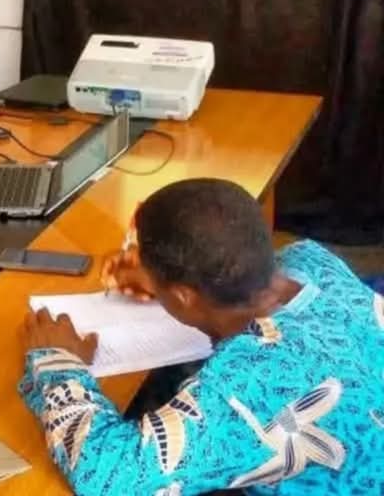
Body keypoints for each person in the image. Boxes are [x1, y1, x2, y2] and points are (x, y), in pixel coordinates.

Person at [20, 179, 384, 495]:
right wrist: (166, 281)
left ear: (183, 296)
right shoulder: (311, 259)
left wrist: (58, 364)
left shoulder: (249, 385)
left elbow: (108, 479)